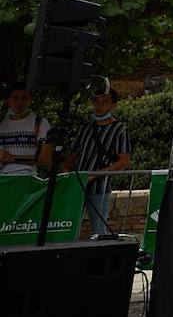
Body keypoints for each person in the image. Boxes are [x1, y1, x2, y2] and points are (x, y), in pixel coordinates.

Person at [64, 80, 132, 235]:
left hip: (100, 187)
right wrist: (67, 173)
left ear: (113, 105)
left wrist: (96, 174)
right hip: (78, 185)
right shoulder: (86, 129)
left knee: (99, 231)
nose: (100, 106)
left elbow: (124, 161)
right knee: (69, 228)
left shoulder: (120, 129)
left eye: (105, 102)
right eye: (96, 102)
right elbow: (72, 156)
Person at [0, 83, 51, 177]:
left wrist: (11, 158)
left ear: (30, 99)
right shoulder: (1, 124)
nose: (20, 102)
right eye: (15, 98)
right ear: (8, 101)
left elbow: (45, 158)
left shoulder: (39, 122)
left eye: (24, 97)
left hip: (26, 177)